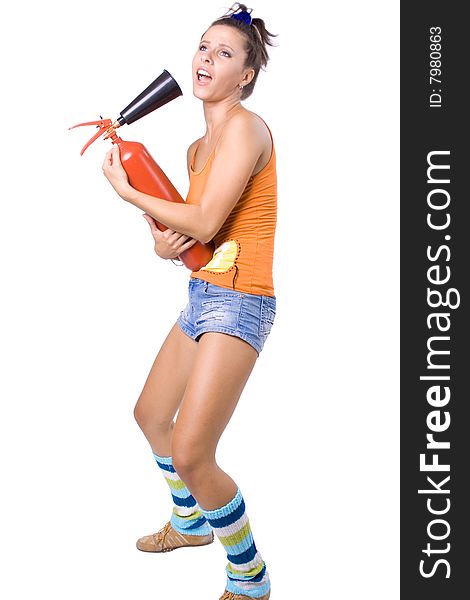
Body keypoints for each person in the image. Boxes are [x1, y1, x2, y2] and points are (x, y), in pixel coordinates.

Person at [102, 4, 277, 599]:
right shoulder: (196, 152)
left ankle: (250, 576)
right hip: (204, 293)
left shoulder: (247, 129)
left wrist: (127, 193)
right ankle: (190, 523)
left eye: (224, 53)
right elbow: (193, 238)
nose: (206, 59)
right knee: (150, 416)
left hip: (242, 301)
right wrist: (159, 242)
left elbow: (203, 218)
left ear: (245, 75)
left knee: (193, 452)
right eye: (203, 47)